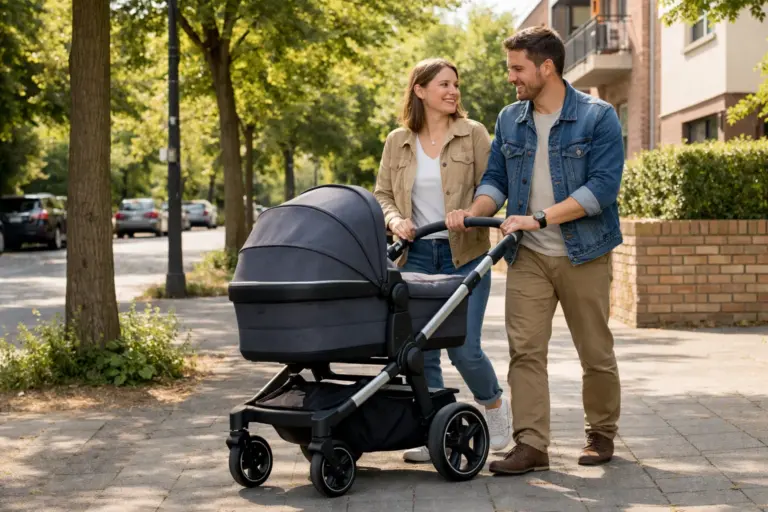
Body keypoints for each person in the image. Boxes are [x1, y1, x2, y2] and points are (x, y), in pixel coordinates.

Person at [446, 26, 624, 475]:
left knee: (594, 351)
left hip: (584, 251)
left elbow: (602, 188)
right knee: (525, 350)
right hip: (527, 255)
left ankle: (601, 431)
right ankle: (531, 444)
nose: (512, 77)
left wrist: (541, 218)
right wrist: (475, 210)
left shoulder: (597, 116)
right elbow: (497, 180)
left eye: (517, 68)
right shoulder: (511, 118)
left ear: (547, 67)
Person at [373, 57, 512, 462]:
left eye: (456, 85)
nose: (453, 91)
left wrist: (472, 210)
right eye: (444, 85)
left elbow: (494, 183)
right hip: (415, 255)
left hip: (464, 255)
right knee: (421, 349)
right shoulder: (397, 140)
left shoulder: (473, 134)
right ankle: (430, 427)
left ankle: (494, 407)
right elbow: (382, 194)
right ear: (420, 90)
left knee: (464, 347)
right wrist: (396, 218)